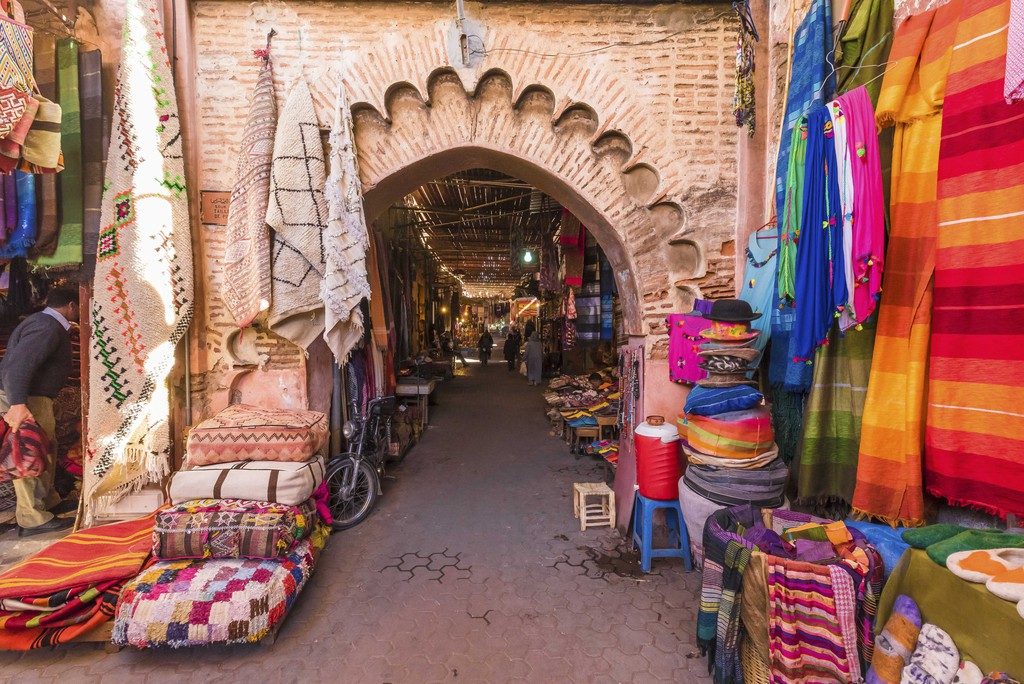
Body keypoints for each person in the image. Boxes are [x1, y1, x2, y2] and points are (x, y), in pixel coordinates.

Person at [0, 287, 80, 536]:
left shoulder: (44, 324)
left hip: (34, 397)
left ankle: (48, 503)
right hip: (26, 399)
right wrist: (18, 404)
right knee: (27, 451)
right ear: (71, 305)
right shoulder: (46, 326)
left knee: (46, 448)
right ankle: (32, 517)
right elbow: (19, 365)